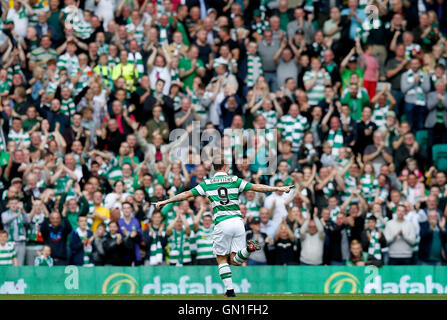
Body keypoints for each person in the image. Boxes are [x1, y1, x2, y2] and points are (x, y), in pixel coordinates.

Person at [155, 154, 294, 297]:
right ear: (225, 166)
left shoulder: (207, 183)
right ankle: (248, 248)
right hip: (238, 222)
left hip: (222, 222)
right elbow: (256, 187)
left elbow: (185, 195)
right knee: (235, 260)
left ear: (214, 168)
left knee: (222, 258)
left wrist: (166, 201)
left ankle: (230, 291)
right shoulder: (234, 179)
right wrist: (279, 188)